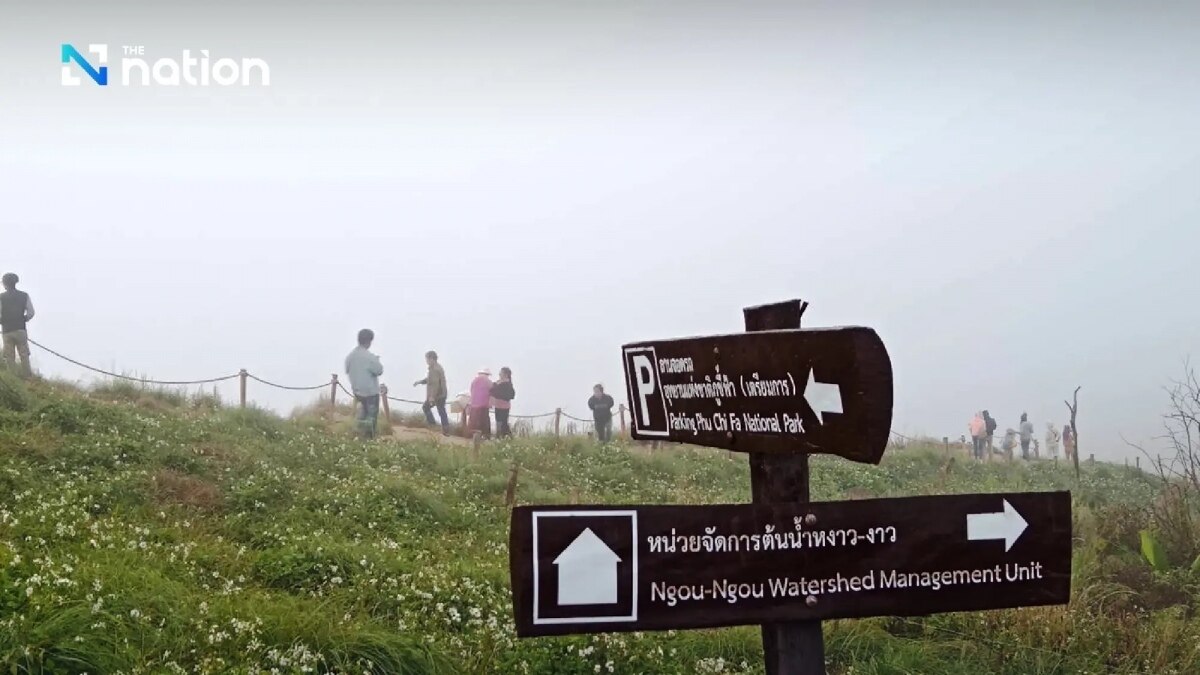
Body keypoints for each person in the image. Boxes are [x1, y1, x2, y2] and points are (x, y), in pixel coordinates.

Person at [344, 329, 383, 440]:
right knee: (371, 419)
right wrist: (377, 360)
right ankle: (369, 440)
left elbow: (347, 370)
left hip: (357, 392)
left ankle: (357, 436)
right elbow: (379, 370)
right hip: (371, 393)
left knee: (362, 415)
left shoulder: (350, 356)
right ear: (369, 341)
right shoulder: (369, 357)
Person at [1, 273, 36, 378]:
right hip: (20, 330)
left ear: (5, 284)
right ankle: (27, 377)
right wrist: (24, 319)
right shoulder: (24, 295)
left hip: (7, 331)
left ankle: (13, 377)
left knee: (9, 356)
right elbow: (31, 312)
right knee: (24, 355)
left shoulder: (1, 297)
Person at [413, 350, 449, 436]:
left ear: (432, 359)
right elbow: (430, 380)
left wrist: (432, 397)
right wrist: (420, 382)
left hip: (438, 394)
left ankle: (434, 425)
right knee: (441, 411)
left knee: (427, 407)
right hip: (441, 394)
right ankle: (444, 429)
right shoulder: (435, 368)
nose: (426, 361)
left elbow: (435, 384)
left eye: (427, 359)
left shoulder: (435, 369)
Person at [490, 367, 515, 439]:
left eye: (501, 372)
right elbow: (492, 391)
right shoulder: (498, 382)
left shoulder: (507, 384)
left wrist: (496, 388)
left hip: (504, 407)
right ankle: (500, 436)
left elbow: (509, 395)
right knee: (499, 422)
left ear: (505, 374)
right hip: (498, 405)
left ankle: (504, 436)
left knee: (503, 423)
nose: (499, 374)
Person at [469, 368, 493, 438]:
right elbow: (491, 392)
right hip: (484, 404)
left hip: (474, 403)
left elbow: (471, 390)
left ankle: (472, 434)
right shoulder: (488, 382)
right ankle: (485, 435)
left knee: (474, 419)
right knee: (484, 420)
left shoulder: (474, 381)